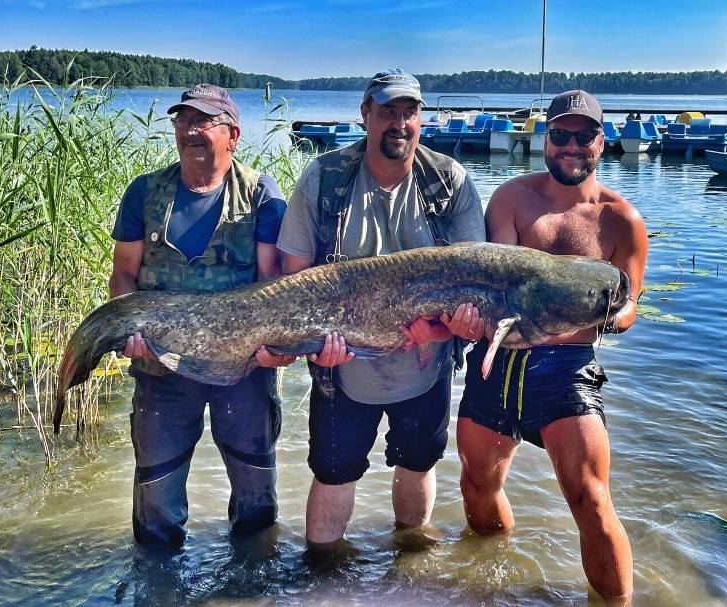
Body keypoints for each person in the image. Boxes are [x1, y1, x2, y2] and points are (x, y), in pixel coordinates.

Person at [276, 68, 486, 547]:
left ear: (421, 119)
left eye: (409, 112)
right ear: (365, 115)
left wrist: (446, 329)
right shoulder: (326, 178)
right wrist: (312, 345)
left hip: (424, 367)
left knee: (418, 463)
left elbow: (474, 279)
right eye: (387, 111)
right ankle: (322, 573)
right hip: (343, 366)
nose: (399, 123)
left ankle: (410, 563)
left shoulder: (448, 181)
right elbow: (293, 280)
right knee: (333, 472)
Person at [456, 90, 648, 602]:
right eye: (560, 135)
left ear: (601, 142)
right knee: (477, 486)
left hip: (566, 371)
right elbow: (486, 284)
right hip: (497, 362)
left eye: (583, 135)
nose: (570, 146)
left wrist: (592, 318)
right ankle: (491, 579)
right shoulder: (511, 199)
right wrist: (468, 319)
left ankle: (617, 601)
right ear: (546, 140)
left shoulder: (621, 220)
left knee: (589, 498)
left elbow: (628, 306)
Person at [109, 84, 296, 546]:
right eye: (182, 120)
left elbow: (274, 280)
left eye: (203, 121)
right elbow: (123, 274)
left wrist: (279, 349)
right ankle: (156, 589)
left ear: (233, 134)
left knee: (257, 502)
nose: (190, 130)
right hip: (161, 369)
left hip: (244, 371)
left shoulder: (261, 194)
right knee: (155, 507)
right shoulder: (144, 193)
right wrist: (127, 325)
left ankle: (250, 587)